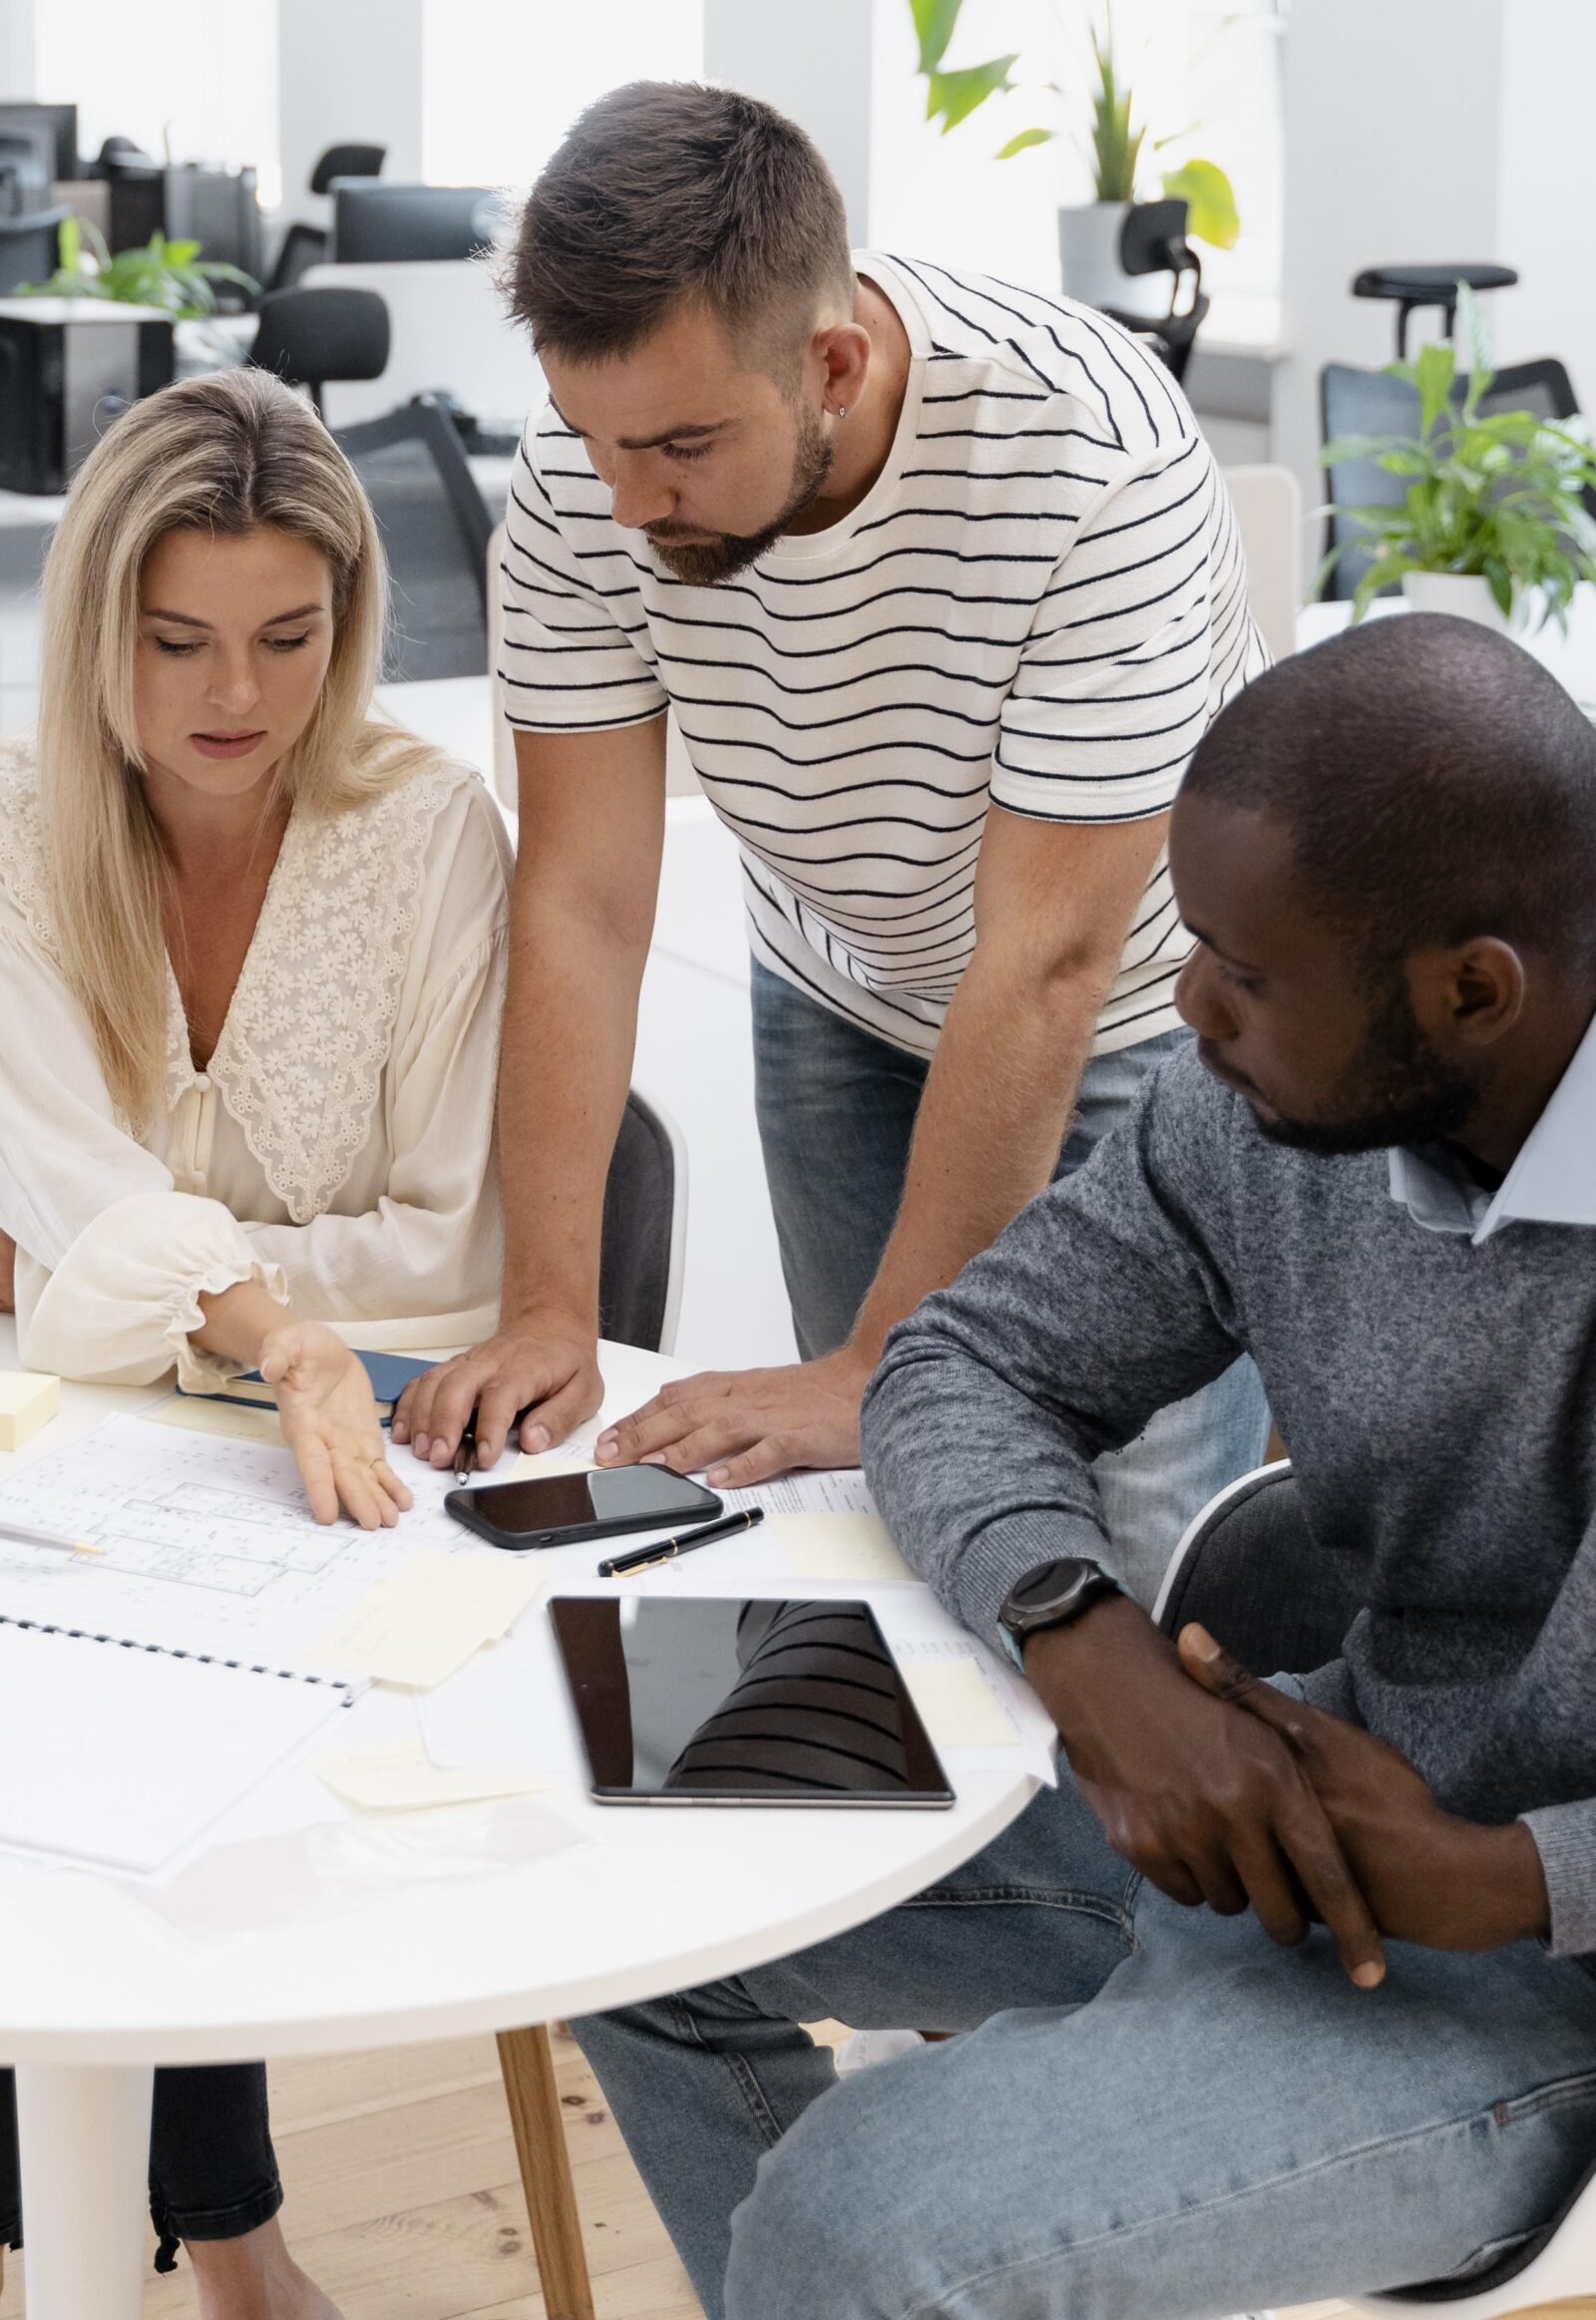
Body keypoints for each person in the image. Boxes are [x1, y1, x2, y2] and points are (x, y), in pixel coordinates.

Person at [575, 613, 1596, 2318]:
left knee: (854, 2226)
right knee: (639, 1794)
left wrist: (1506, 1878)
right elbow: (957, 1364)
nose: (1185, 1007)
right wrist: (1089, 1644)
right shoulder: (1261, 1105)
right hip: (1294, 1812)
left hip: (1540, 1984)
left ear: (1471, 989)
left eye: (1242, 974)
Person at [395, 80, 1267, 1603]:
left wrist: (878, 1357)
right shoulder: (587, 480)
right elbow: (584, 902)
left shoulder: (1091, 464)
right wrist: (550, 1306)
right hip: (842, 985)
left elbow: (1048, 959)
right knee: (887, 1517)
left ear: (835, 366)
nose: (627, 499)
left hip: (1139, 1021)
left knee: (1121, 1571)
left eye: (676, 444)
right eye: (594, 436)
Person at [0, 366, 510, 2314]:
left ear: (350, 625)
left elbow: (447, 1256)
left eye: (285, 634)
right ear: (95, 625)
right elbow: (42, 1176)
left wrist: (109, 1267)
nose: (229, 693)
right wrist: (256, 1318)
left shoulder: (428, 836)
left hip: (308, 1434)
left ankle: (21, 2229)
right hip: (104, 1403)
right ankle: (147, 2222)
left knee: (201, 1662)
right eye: (171, 639)